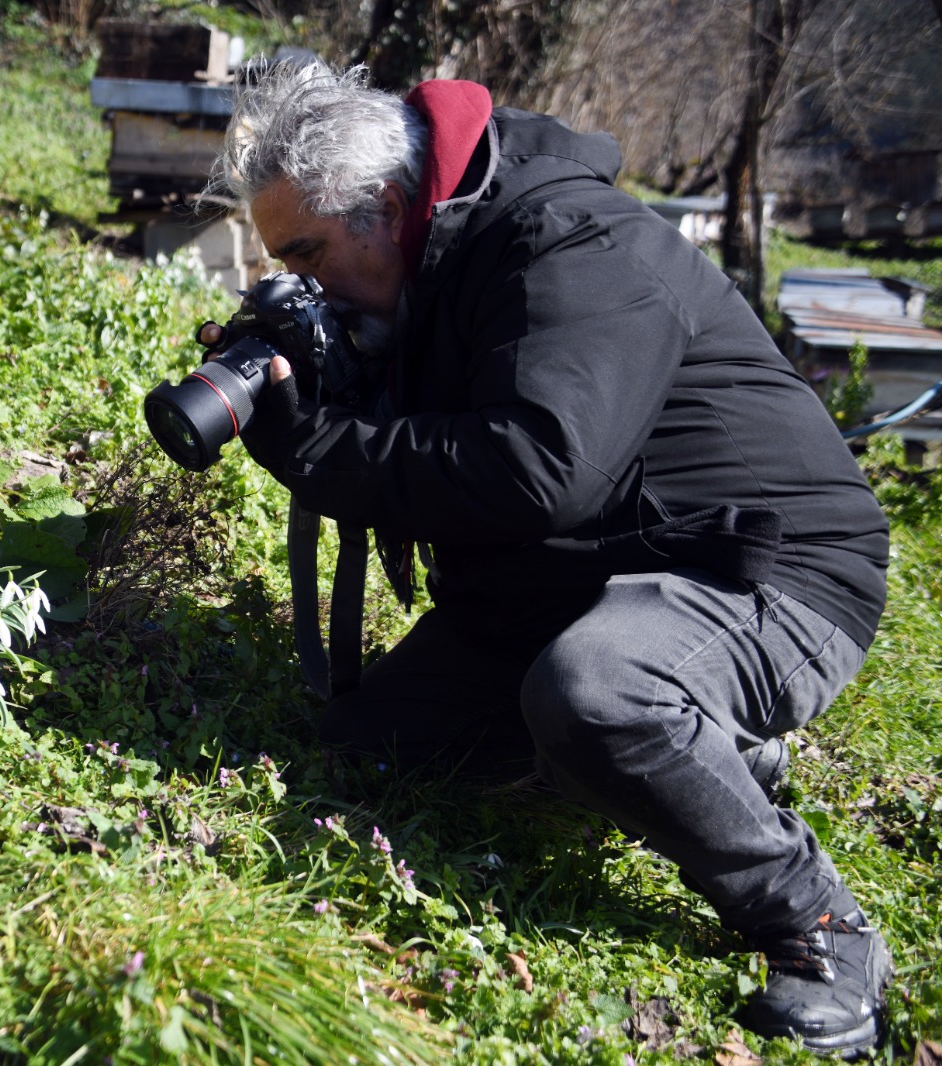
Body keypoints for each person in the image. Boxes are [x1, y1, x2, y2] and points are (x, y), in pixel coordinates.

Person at [203, 62, 893, 1056]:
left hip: (766, 566)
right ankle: (718, 753)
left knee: (598, 696)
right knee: (377, 744)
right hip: (583, 569)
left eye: (308, 254)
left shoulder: (567, 239)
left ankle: (817, 924)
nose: (304, 285)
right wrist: (315, 380)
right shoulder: (425, 268)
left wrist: (316, 453)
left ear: (389, 208)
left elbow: (535, 472)